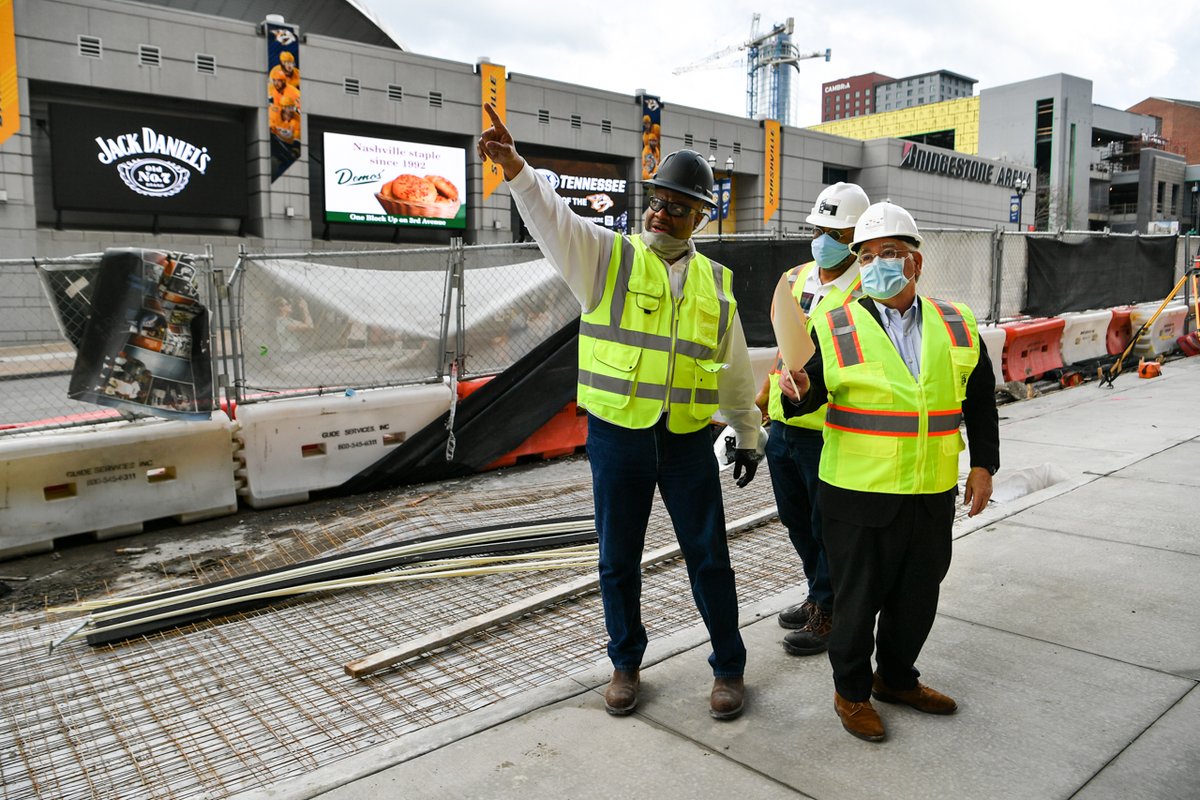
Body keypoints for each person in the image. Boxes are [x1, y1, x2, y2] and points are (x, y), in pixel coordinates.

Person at [479, 102, 764, 721]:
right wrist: (519, 170)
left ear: (699, 217)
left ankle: (729, 669)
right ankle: (626, 664)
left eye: (678, 205)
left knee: (709, 555)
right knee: (618, 558)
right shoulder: (608, 257)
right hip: (619, 436)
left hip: (688, 439)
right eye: (657, 200)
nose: (662, 211)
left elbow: (730, 363)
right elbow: (554, 220)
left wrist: (747, 430)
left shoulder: (717, 282)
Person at [778, 201, 1000, 743]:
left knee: (918, 598)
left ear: (916, 262)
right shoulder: (834, 324)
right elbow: (810, 394)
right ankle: (851, 694)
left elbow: (980, 402)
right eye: (868, 254)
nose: (877, 263)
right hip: (857, 494)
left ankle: (897, 679)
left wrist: (984, 466)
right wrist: (800, 392)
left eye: (890, 253)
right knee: (855, 604)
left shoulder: (958, 322)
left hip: (928, 490)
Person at [759, 182, 869, 658]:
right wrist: (762, 399)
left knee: (828, 525)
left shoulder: (868, 288)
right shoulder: (795, 278)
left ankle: (829, 607)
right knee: (796, 519)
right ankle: (818, 593)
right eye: (817, 229)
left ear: (855, 236)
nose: (821, 238)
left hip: (831, 428)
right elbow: (786, 348)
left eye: (834, 231)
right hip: (785, 425)